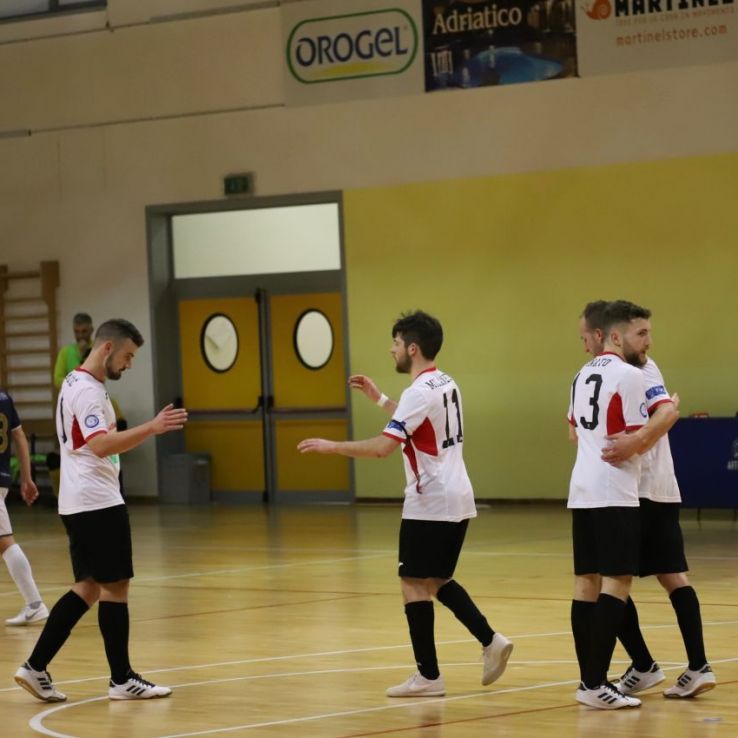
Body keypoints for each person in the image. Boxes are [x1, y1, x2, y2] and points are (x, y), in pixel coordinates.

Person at [298, 310, 513, 697]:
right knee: (436, 579)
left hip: (429, 498)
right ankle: (491, 640)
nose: (391, 349)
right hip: (456, 494)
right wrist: (379, 398)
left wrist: (332, 447)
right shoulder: (445, 382)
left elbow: (383, 447)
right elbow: (417, 420)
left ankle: (429, 677)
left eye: (396, 343)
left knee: (412, 582)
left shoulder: (419, 391)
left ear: (412, 348)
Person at [14, 319, 188, 703]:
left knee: (89, 586)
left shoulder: (74, 382)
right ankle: (121, 679)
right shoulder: (89, 392)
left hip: (78, 500)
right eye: (128, 355)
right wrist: (152, 427)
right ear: (108, 347)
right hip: (97, 501)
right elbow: (101, 445)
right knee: (115, 586)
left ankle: (35, 666)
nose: (129, 364)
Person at [580, 300, 716, 699]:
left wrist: (636, 440)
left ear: (604, 335)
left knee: (613, 578)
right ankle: (685, 665)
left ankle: (647, 664)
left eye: (647, 333)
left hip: (641, 488)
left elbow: (668, 413)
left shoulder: (640, 368)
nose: (648, 342)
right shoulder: (607, 372)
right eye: (643, 334)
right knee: (663, 575)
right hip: (647, 487)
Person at [567, 300, 650, 710]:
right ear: (615, 336)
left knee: (586, 582)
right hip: (614, 489)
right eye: (641, 333)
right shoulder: (630, 376)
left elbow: (572, 431)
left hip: (582, 488)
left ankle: (589, 681)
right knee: (617, 582)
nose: (646, 342)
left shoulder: (580, 375)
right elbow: (637, 437)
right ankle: (594, 682)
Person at [1, 387, 49, 626]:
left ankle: (35, 603)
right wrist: (27, 478)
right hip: (2, 479)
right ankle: (35, 604)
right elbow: (19, 437)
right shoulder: (4, 398)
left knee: (5, 542)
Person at [53, 313, 94, 390]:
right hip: (72, 396)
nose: (80, 336)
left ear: (91, 330)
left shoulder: (98, 350)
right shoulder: (65, 352)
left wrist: (84, 355)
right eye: (76, 332)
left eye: (84, 331)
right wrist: (77, 382)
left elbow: (101, 378)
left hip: (94, 395)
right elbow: (57, 381)